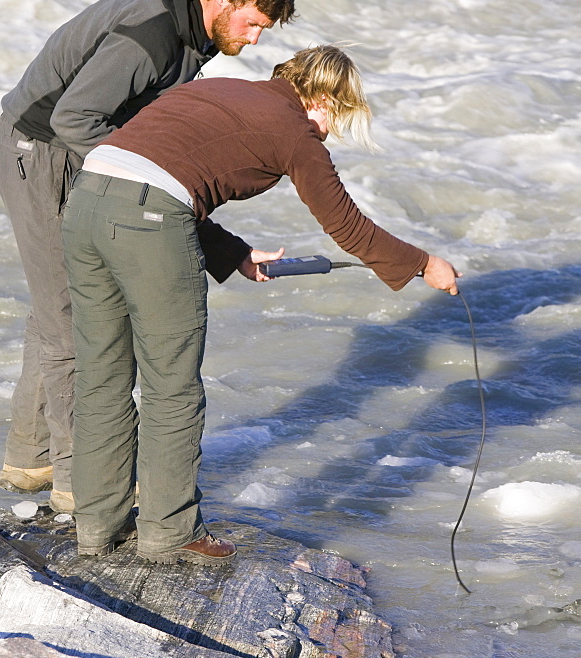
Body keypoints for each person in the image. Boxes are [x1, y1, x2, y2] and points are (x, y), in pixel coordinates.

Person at [61, 45, 460, 563]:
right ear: (321, 97)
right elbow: (347, 225)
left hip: (86, 200)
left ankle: (96, 529)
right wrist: (423, 262)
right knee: (171, 385)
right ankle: (169, 533)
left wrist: (236, 254)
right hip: (150, 223)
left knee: (102, 376)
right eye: (334, 116)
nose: (327, 131)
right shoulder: (295, 128)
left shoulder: (220, 89)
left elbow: (161, 173)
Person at [0, 0, 296, 512]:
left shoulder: (193, 32)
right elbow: (74, 119)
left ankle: (30, 457)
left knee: (55, 307)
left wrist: (227, 253)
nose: (255, 40)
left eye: (265, 30)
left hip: (66, 151)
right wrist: (132, 172)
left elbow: (153, 163)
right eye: (253, 23)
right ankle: (80, 483)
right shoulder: (153, 35)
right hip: (40, 151)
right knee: (71, 318)